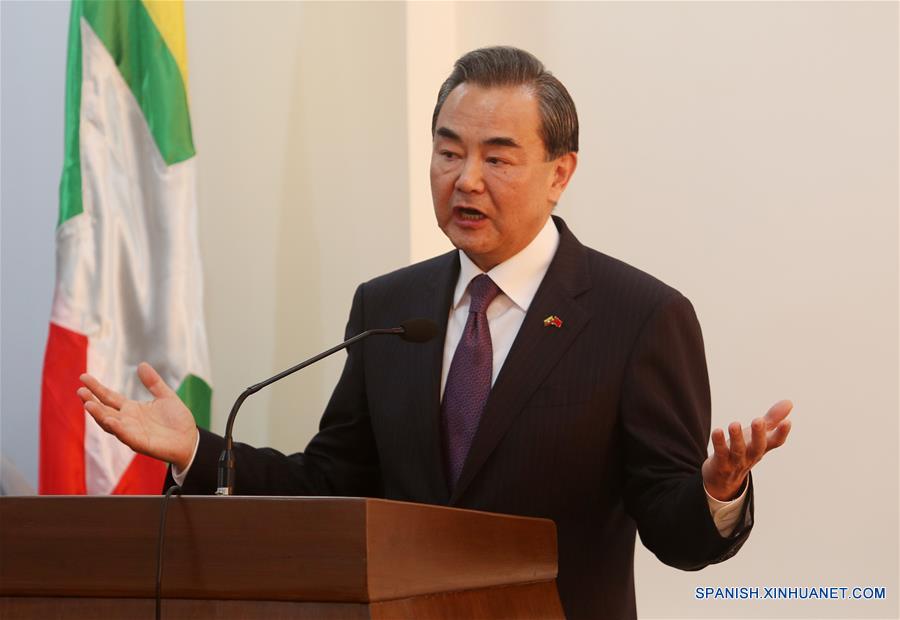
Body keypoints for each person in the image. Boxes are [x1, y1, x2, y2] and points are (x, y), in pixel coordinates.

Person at [78, 47, 792, 619]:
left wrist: (713, 491)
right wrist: (198, 451)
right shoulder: (389, 306)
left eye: (498, 157)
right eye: (449, 152)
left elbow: (677, 532)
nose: (466, 180)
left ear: (559, 173)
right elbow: (332, 481)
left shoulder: (636, 316)